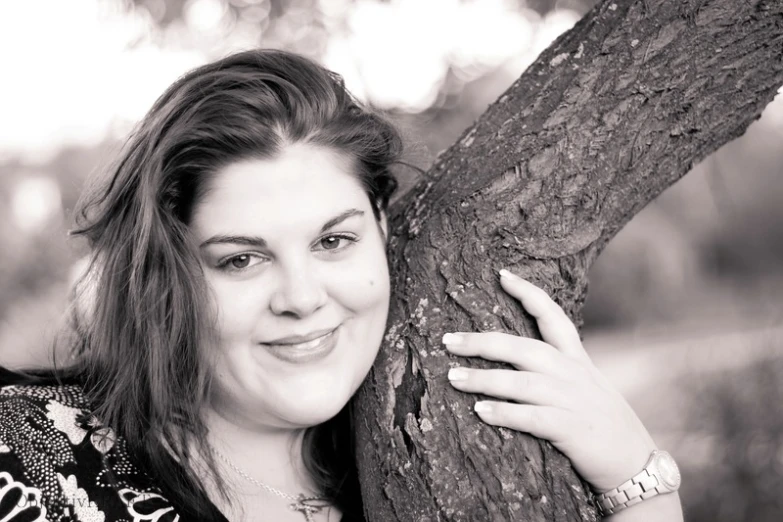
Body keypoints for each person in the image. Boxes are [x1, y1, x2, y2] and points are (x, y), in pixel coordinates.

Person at [0, 49, 683, 522]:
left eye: (333, 241)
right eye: (240, 259)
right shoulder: (30, 451)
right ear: (166, 275)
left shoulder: (439, 459)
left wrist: (636, 480)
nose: (301, 296)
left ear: (381, 227)